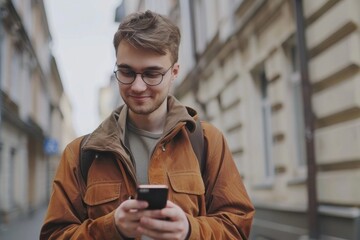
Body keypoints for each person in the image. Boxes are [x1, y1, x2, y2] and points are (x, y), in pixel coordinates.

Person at [40, 10, 254, 240]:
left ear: (174, 73)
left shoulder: (207, 142)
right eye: (126, 72)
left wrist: (190, 231)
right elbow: (54, 235)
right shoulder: (80, 154)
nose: (138, 86)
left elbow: (237, 227)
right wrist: (112, 228)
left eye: (152, 74)